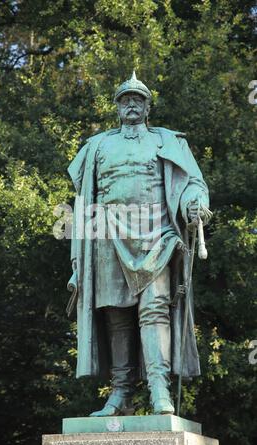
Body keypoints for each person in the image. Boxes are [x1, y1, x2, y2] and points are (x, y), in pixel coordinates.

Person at [67, 72, 211, 417]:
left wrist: (194, 202)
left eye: (138, 99)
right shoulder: (96, 146)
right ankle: (119, 395)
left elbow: (192, 182)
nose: (131, 104)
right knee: (117, 316)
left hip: (155, 234)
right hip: (107, 235)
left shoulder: (168, 141)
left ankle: (159, 388)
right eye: (125, 99)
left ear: (148, 107)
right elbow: (84, 196)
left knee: (154, 309)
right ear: (116, 106)